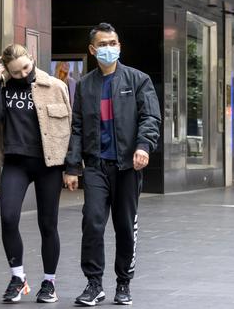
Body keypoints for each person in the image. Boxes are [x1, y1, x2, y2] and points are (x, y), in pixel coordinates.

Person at [64, 23, 161, 306]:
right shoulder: (85, 85)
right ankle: (94, 284)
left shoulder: (138, 80)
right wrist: (72, 167)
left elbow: (150, 118)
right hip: (95, 166)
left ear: (119, 45)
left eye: (113, 42)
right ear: (93, 50)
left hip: (127, 167)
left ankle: (123, 283)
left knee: (124, 226)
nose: (109, 47)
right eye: (103, 44)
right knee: (92, 223)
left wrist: (143, 146)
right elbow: (78, 127)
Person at [0, 44, 72, 303]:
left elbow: (71, 129)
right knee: (8, 218)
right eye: (15, 72)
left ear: (31, 56)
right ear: (7, 70)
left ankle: (49, 283)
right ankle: (17, 278)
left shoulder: (55, 86)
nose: (22, 75)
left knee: (48, 224)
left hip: (48, 165)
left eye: (26, 68)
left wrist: (72, 169)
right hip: (16, 163)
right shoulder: (2, 87)